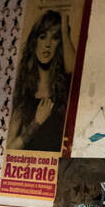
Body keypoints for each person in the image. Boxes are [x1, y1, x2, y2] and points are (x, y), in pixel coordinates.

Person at [7, 10, 75, 152]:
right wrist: (36, 122)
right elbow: (10, 147)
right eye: (43, 37)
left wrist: (64, 28)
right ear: (34, 42)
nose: (48, 44)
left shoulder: (65, 89)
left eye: (55, 38)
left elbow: (74, 66)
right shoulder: (25, 92)